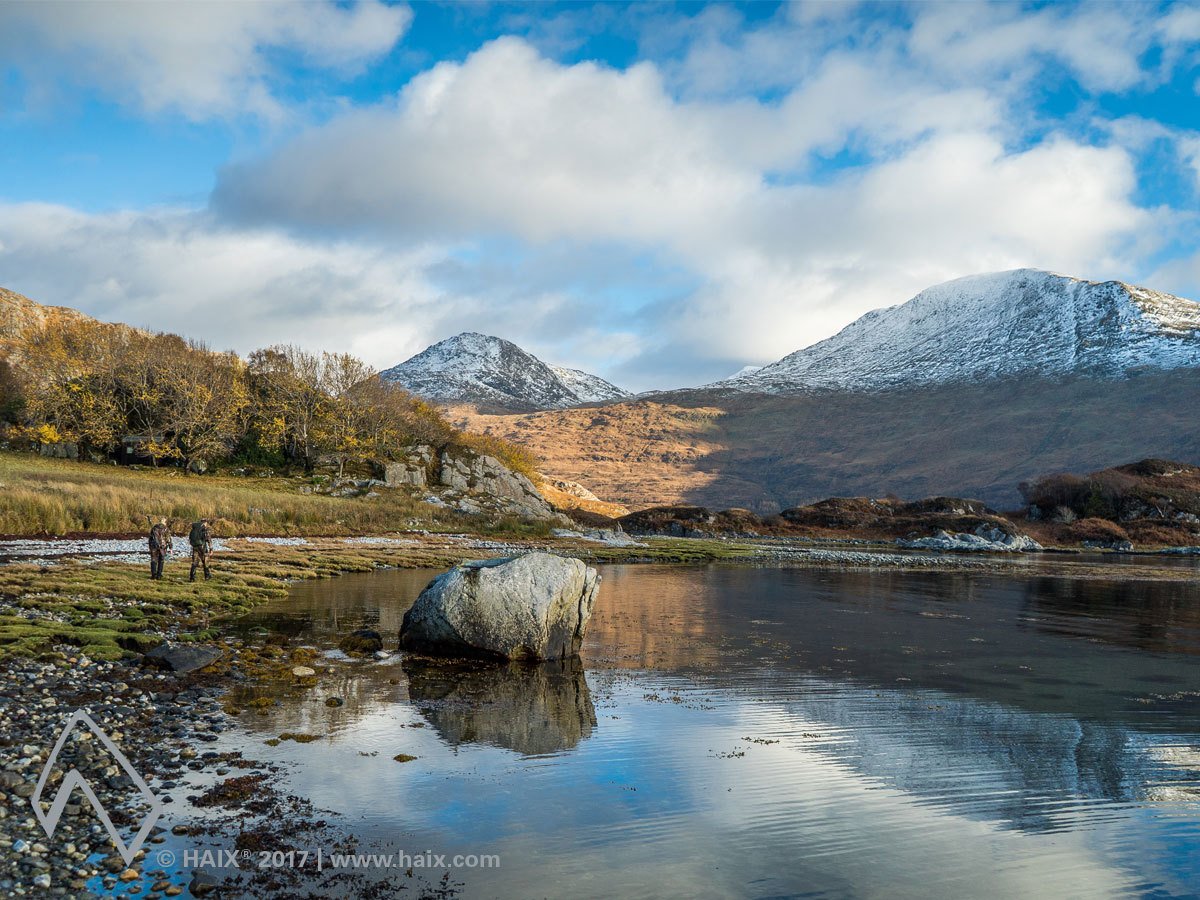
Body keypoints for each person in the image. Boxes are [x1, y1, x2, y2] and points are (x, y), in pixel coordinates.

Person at [188, 518, 214, 582]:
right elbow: (208, 539)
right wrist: (211, 549)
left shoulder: (194, 529)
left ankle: (192, 577)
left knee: (195, 562)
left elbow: (190, 539)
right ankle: (207, 576)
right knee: (205, 561)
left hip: (195, 547)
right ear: (205, 523)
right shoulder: (204, 529)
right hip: (203, 547)